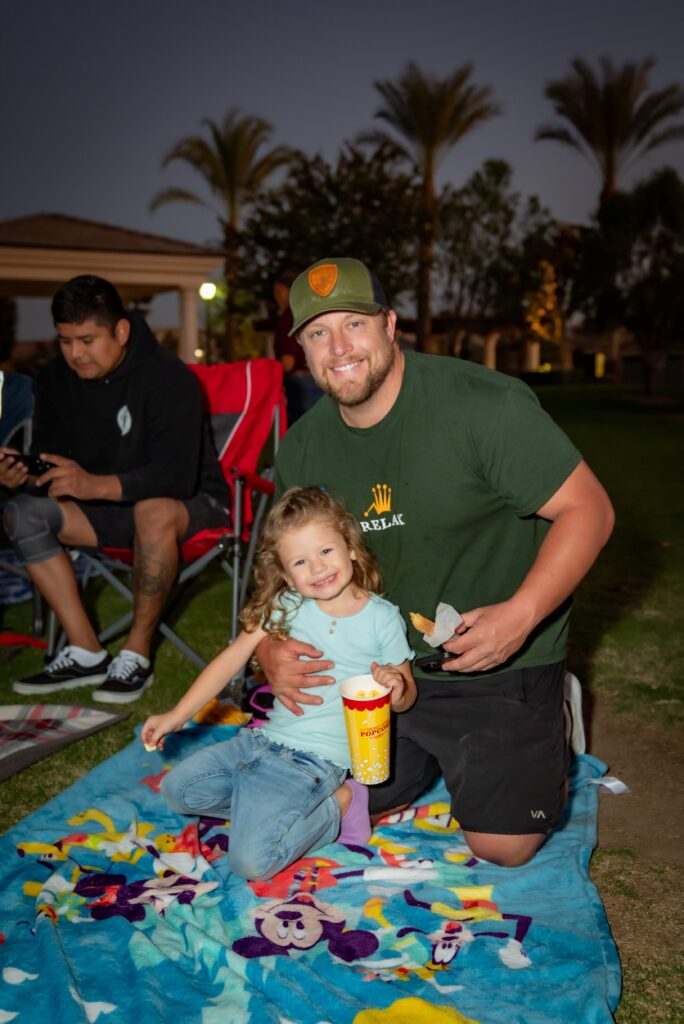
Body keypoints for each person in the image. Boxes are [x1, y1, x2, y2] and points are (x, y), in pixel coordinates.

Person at [255, 256, 616, 869]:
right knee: (308, 806)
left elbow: (591, 510)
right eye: (318, 333)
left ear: (391, 326)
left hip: (495, 657)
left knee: (503, 847)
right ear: (301, 350)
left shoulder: (483, 405)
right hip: (375, 668)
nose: (338, 348)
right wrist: (269, 647)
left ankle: (549, 714)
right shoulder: (303, 444)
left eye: (354, 325)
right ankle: (422, 757)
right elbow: (279, 569)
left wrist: (520, 616)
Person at [142, 486, 415, 881]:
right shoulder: (288, 605)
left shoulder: (382, 619)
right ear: (286, 575)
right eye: (301, 562)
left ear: (351, 547)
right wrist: (176, 715)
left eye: (326, 551)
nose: (318, 568)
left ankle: (337, 804)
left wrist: (396, 686)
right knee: (178, 790)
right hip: (260, 743)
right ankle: (267, 809)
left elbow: (405, 699)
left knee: (252, 863)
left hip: (317, 764)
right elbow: (231, 659)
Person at [0, 275, 229, 704]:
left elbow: (176, 477)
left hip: (190, 503)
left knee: (153, 509)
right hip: (106, 507)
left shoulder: (167, 377)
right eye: (65, 341)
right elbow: (54, 460)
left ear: (121, 331)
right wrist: (27, 474)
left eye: (87, 340)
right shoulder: (54, 378)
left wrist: (91, 483)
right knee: (23, 512)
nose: (75, 354)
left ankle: (136, 654)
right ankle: (85, 648)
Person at [272, 270, 322, 424]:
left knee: (302, 433)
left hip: (300, 384)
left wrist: (269, 372)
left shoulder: (289, 316)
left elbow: (288, 362)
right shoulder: (308, 313)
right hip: (315, 379)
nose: (276, 296)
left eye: (279, 291)